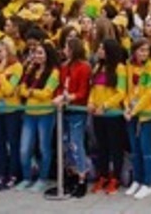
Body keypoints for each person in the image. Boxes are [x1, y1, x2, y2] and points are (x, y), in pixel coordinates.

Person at [16, 40, 59, 192]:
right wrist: (31, 92)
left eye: (40, 53)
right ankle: (27, 177)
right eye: (35, 53)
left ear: (48, 55)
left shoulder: (54, 72)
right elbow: (21, 89)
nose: (37, 56)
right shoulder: (30, 70)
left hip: (45, 114)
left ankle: (43, 178)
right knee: (24, 148)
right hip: (29, 113)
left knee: (43, 148)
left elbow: (47, 93)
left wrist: (30, 92)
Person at [87, 38, 127, 195]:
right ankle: (102, 175)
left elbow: (121, 92)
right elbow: (93, 88)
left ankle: (115, 177)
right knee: (101, 147)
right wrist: (91, 102)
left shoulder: (120, 68)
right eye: (99, 48)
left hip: (113, 114)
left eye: (102, 48)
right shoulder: (97, 67)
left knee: (115, 147)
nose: (99, 51)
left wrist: (105, 106)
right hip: (97, 114)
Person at [0, 36, 23, 190]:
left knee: (13, 143)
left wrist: (1, 73)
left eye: (1, 51)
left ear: (9, 52)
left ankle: (13, 174)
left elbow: (9, 90)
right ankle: (0, 174)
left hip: (11, 111)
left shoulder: (17, 67)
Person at [125, 38, 151, 200]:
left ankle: (148, 183)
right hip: (131, 112)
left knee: (147, 149)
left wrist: (135, 110)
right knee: (135, 149)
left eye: (147, 50)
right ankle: (137, 180)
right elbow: (127, 89)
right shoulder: (129, 66)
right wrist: (127, 106)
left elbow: (149, 93)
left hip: (146, 114)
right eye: (141, 50)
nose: (144, 53)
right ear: (134, 51)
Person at [57, 36, 91, 197]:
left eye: (66, 47)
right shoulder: (64, 67)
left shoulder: (84, 67)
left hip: (77, 109)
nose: (64, 50)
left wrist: (69, 97)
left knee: (76, 144)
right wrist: (59, 97)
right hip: (65, 110)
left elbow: (83, 91)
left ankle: (82, 178)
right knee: (66, 144)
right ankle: (70, 174)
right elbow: (60, 86)